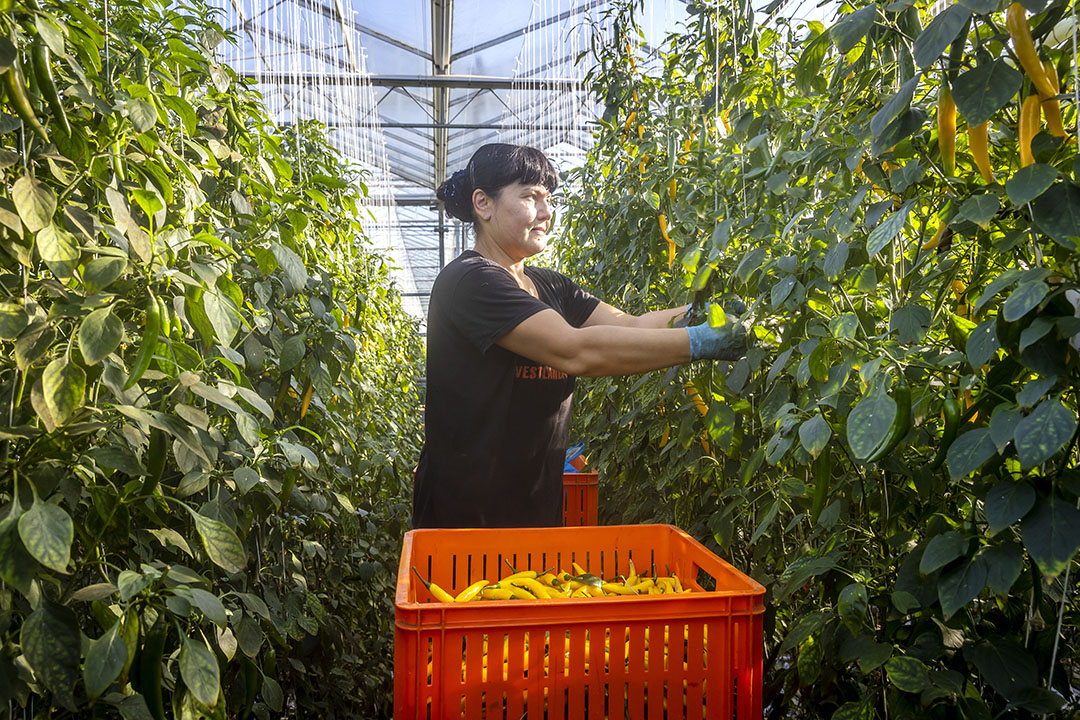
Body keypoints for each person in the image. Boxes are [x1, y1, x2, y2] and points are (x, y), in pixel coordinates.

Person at [412, 143, 747, 529]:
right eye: (530, 196)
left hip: (536, 511)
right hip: (466, 526)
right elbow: (576, 352)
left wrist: (702, 315)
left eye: (548, 198)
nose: (546, 211)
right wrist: (701, 342)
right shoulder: (471, 282)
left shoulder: (547, 284)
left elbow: (630, 324)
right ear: (483, 204)